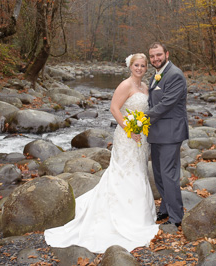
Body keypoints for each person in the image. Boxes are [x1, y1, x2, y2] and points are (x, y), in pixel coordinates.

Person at [44, 53, 159, 253]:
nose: (139, 68)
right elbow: (114, 108)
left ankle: (140, 215)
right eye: (136, 65)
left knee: (139, 172)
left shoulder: (145, 87)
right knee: (123, 172)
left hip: (141, 138)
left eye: (142, 65)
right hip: (126, 136)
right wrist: (129, 129)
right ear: (130, 66)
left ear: (146, 67)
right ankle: (121, 217)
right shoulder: (126, 85)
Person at [146, 42, 189, 227]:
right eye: (152, 56)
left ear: (167, 54)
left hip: (170, 133)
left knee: (168, 174)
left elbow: (165, 104)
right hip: (156, 132)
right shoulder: (157, 74)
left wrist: (140, 118)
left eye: (158, 55)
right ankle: (165, 209)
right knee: (159, 174)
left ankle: (176, 217)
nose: (155, 58)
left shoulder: (175, 75)